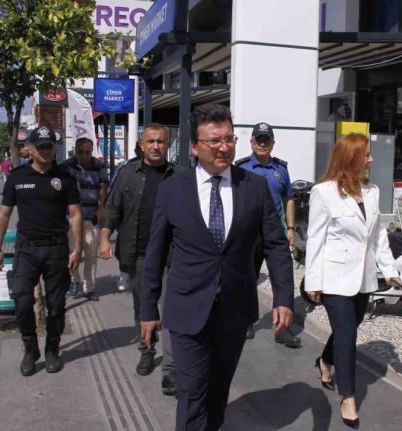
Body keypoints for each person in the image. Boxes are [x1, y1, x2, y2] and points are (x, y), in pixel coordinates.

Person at [139, 104, 295, 431]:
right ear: (195, 146)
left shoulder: (254, 187)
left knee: (218, 392)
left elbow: (276, 244)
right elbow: (155, 253)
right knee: (191, 393)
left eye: (229, 139)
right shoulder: (173, 190)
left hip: (234, 311)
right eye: (214, 140)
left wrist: (283, 297)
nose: (223, 147)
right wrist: (148, 309)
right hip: (187, 309)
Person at [304, 133, 399, 429]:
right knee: (347, 335)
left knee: (348, 328)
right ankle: (348, 396)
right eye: (366, 154)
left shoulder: (372, 192)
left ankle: (325, 360)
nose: (371, 159)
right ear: (351, 158)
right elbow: (315, 239)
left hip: (364, 278)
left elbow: (378, 235)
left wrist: (390, 269)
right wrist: (312, 282)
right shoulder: (323, 192)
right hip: (334, 279)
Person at [99, 124, 184, 393]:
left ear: (167, 145)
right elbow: (112, 209)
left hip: (171, 257)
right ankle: (147, 350)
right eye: (151, 141)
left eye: (161, 141)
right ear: (142, 145)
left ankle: (171, 369)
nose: (156, 146)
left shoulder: (180, 176)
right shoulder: (128, 174)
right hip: (138, 255)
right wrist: (104, 238)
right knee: (142, 310)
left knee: (170, 311)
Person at [0, 126, 83, 376]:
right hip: (27, 249)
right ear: (29, 149)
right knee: (22, 301)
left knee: (56, 305)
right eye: (40, 146)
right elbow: (4, 213)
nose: (45, 150)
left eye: (49, 146)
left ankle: (52, 349)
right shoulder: (17, 177)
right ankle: (31, 350)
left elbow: (75, 214)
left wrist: (77, 248)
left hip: (56, 249)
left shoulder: (65, 178)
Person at [235, 122, 300, 347]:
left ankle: (284, 327)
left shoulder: (281, 169)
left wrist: (290, 228)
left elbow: (289, 199)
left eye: (266, 140)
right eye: (258, 139)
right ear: (251, 142)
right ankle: (246, 321)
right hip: (249, 233)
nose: (262, 144)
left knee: (283, 280)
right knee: (247, 278)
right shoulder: (241, 168)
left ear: (273, 143)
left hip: (275, 233)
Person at [60, 137, 109, 301]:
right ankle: (74, 280)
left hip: (91, 216)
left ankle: (89, 287)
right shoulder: (66, 167)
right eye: (81, 152)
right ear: (75, 150)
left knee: (91, 254)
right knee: (72, 252)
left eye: (88, 152)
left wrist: (100, 209)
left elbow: (103, 188)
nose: (84, 156)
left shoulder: (99, 166)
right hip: (71, 217)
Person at [106, 144, 142, 292]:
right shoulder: (126, 167)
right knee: (124, 247)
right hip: (127, 215)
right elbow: (113, 189)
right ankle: (124, 273)